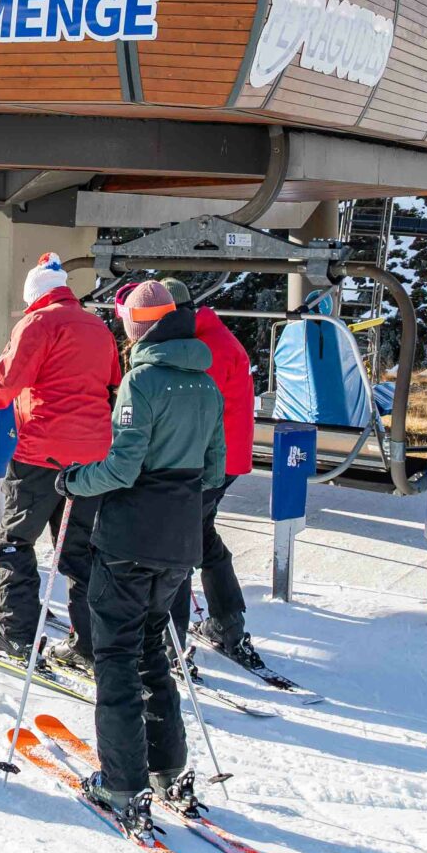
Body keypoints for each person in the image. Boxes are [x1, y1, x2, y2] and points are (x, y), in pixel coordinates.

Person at [61, 279, 226, 836]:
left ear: (147, 325)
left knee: (116, 653)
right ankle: (167, 768)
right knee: (155, 648)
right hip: (179, 540)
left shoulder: (143, 382)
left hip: (131, 535)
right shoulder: (205, 384)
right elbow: (212, 468)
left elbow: (123, 468)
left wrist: (76, 481)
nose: (126, 327)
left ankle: (122, 782)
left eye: (132, 319)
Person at [0, 253, 121, 671]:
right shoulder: (98, 326)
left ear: (34, 295)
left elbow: (5, 384)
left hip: (42, 454)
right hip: (92, 460)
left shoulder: (37, 324)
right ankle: (89, 644)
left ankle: (17, 634)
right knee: (80, 550)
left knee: (15, 542)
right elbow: (112, 383)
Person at [115, 279, 263, 672]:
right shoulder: (213, 334)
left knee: (177, 544)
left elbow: (182, 412)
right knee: (199, 537)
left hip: (207, 458)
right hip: (225, 457)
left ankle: (173, 642)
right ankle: (227, 623)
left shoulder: (201, 349)